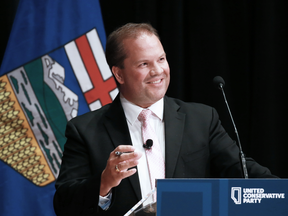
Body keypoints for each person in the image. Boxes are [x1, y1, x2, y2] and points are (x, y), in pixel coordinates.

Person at [53, 23, 275, 216]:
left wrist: (278, 192)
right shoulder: (85, 130)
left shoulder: (201, 119)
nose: (158, 71)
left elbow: (244, 172)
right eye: (144, 64)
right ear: (119, 74)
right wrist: (104, 183)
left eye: (161, 59)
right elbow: (64, 205)